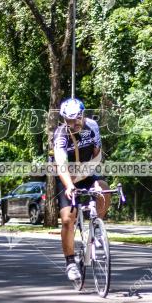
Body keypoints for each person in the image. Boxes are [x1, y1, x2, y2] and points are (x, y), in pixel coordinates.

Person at [53, 98, 109, 281]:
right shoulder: (60, 134)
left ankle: (97, 228)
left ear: (82, 116)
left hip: (87, 171)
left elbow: (97, 155)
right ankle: (70, 262)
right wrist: (69, 185)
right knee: (68, 218)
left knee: (104, 189)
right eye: (68, 120)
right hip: (67, 176)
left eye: (75, 120)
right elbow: (60, 162)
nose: (72, 124)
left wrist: (87, 177)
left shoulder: (92, 126)